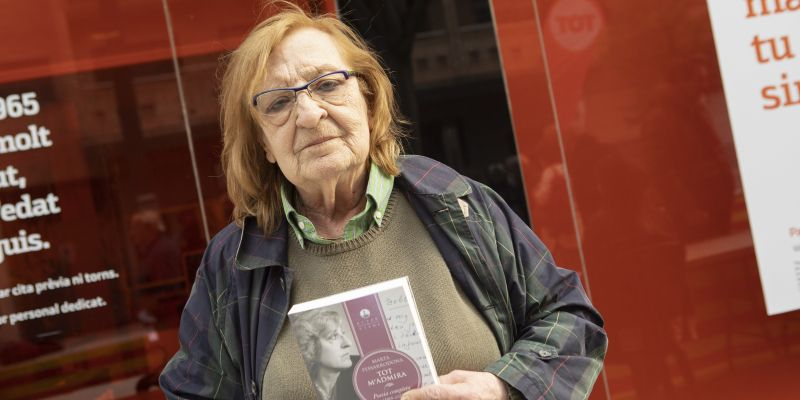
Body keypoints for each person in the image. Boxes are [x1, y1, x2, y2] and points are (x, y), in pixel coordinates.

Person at [159, 3, 607, 399]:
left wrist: (503, 387)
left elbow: (570, 319)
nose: (310, 115)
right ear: (262, 145)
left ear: (368, 101)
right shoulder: (234, 262)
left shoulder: (455, 202)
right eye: (278, 104)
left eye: (328, 85)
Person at [292, 309, 359, 400]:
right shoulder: (299, 389)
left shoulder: (361, 370)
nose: (348, 343)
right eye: (333, 336)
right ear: (311, 346)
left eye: (343, 333)